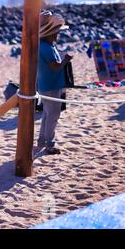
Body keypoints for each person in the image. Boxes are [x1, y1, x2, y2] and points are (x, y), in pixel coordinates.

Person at [37, 11, 73, 155]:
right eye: (56, 32)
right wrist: (66, 60)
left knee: (47, 115)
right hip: (51, 86)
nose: (57, 35)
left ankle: (41, 140)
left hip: (47, 85)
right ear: (49, 32)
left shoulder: (44, 45)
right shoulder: (46, 47)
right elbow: (55, 66)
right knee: (53, 116)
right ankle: (49, 144)